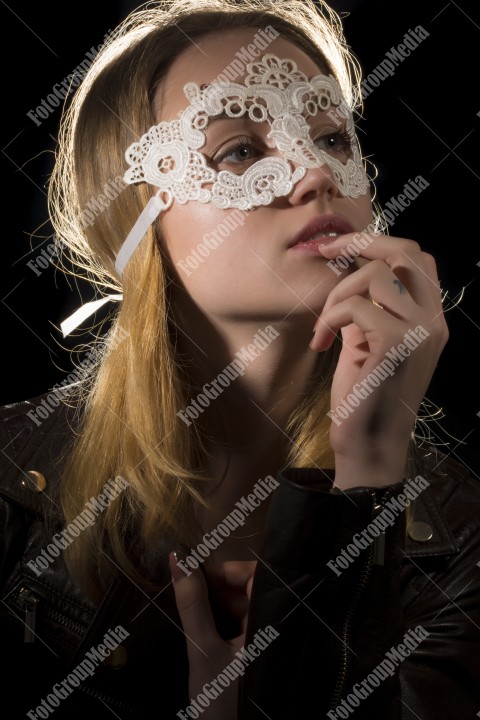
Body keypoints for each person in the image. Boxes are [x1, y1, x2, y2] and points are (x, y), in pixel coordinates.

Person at [1, 1, 479, 718]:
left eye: (329, 134)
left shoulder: (463, 536)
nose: (315, 176)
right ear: (135, 224)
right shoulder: (10, 490)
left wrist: (368, 480)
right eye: (241, 151)